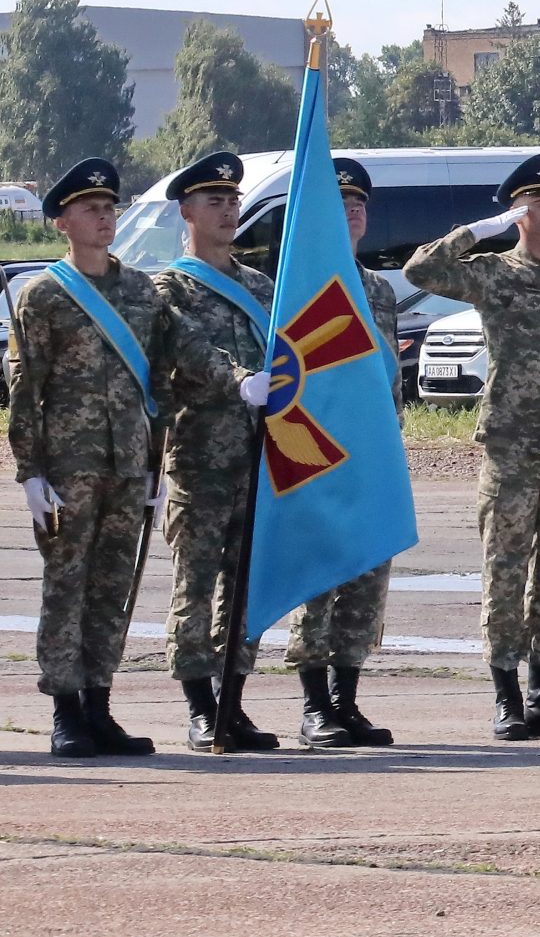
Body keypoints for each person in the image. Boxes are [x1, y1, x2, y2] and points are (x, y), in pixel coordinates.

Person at [407, 153, 540, 740]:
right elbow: (423, 270)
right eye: (537, 200)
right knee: (505, 567)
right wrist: (479, 231)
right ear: (518, 210)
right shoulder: (496, 272)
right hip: (513, 447)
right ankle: (506, 692)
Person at [9, 158, 179, 759]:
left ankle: (100, 706)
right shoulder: (45, 295)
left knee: (114, 587)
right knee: (67, 584)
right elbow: (26, 386)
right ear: (62, 221)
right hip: (68, 465)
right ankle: (65, 712)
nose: (104, 217)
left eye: (109, 208)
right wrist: (28, 470)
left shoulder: (139, 290)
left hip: (128, 461)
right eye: (90, 209)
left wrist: (158, 462)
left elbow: (158, 380)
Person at [153, 151, 284, 751]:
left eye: (233, 201)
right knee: (197, 582)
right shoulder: (168, 287)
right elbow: (191, 349)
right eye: (215, 201)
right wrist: (236, 380)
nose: (228, 211)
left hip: (258, 458)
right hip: (200, 459)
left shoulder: (261, 287)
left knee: (247, 586)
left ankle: (234, 698)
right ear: (187, 211)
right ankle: (199, 704)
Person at [282, 156, 410, 746]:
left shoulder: (377, 288)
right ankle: (314, 705)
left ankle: (346, 698)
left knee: (366, 576)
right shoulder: (302, 286)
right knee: (320, 576)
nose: (354, 212)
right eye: (342, 205)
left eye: (360, 204)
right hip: (318, 450)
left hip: (373, 453)